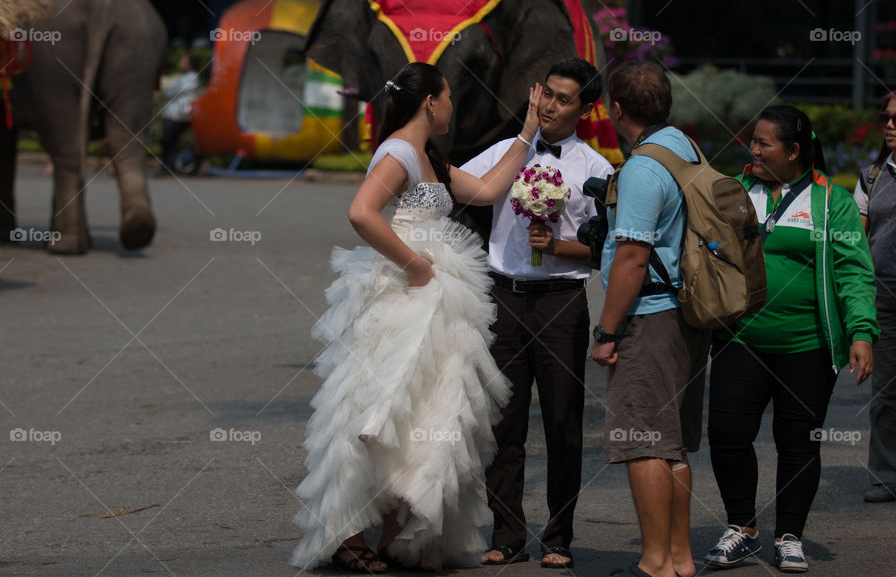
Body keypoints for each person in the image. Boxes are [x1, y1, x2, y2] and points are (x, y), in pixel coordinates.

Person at [290, 61, 541, 572]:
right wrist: (416, 265)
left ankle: (396, 529)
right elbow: (362, 212)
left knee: (424, 406)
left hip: (438, 300)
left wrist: (528, 132)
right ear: (431, 101)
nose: (454, 105)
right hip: (405, 292)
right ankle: (348, 534)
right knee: (376, 404)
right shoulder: (399, 150)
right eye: (449, 96)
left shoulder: (427, 154)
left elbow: (489, 191)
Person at [704, 105, 877, 573]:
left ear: (794, 151)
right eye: (752, 141)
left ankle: (789, 535)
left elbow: (853, 271)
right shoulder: (736, 191)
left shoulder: (831, 202)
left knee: (798, 443)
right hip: (741, 339)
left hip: (808, 346)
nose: (752, 150)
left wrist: (861, 331)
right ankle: (742, 528)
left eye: (763, 144)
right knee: (727, 435)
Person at [461, 57, 613, 569]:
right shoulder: (507, 150)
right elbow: (456, 188)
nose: (548, 104)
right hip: (502, 297)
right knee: (502, 424)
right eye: (545, 93)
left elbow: (606, 250)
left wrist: (559, 246)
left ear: (586, 108)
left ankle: (558, 536)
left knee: (563, 423)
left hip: (561, 301)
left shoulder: (596, 169)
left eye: (562, 98)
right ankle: (506, 533)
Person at [589, 60, 711, 577]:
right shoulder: (684, 147)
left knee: (642, 442)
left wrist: (608, 331)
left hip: (650, 316)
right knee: (672, 443)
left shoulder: (641, 168)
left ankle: (653, 562)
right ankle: (680, 558)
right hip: (686, 315)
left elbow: (633, 258)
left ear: (617, 109)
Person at [853, 91, 896, 504]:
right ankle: (885, 476)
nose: (889, 124)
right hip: (885, 291)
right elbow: (858, 239)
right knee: (885, 390)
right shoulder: (872, 175)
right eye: (885, 116)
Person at [157, 53, 199, 176]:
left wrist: (168, 90)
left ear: (190, 65)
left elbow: (171, 91)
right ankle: (168, 167)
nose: (180, 63)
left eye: (183, 61)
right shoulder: (184, 77)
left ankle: (168, 168)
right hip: (175, 114)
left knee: (168, 140)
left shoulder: (191, 77)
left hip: (179, 116)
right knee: (169, 141)